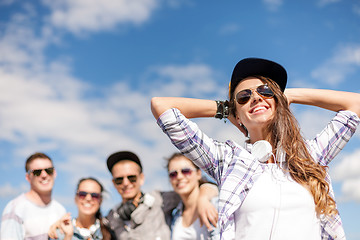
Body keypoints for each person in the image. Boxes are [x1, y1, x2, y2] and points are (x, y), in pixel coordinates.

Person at [150, 57, 360, 240]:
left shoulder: (311, 156)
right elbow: (161, 107)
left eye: (266, 91)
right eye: (244, 97)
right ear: (237, 114)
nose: (256, 97)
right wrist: (224, 108)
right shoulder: (227, 160)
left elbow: (355, 103)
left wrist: (289, 95)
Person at [103, 151, 219, 240]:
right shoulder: (112, 217)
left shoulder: (160, 199)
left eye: (131, 178)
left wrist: (203, 198)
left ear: (141, 178)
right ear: (113, 183)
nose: (126, 183)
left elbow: (194, 190)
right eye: (119, 180)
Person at [1, 152, 66, 240]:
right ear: (28, 177)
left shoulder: (60, 210)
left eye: (48, 170)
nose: (44, 175)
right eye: (37, 172)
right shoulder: (15, 209)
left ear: (54, 173)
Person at [166, 153, 219, 240]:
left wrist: (203, 198)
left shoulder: (215, 205)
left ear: (198, 174)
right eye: (173, 174)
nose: (179, 177)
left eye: (186, 171)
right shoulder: (175, 215)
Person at [48, 177, 113, 240]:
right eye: (83, 194)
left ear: (100, 201)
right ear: (76, 198)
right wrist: (68, 237)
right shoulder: (60, 232)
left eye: (94, 195)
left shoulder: (111, 231)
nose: (88, 198)